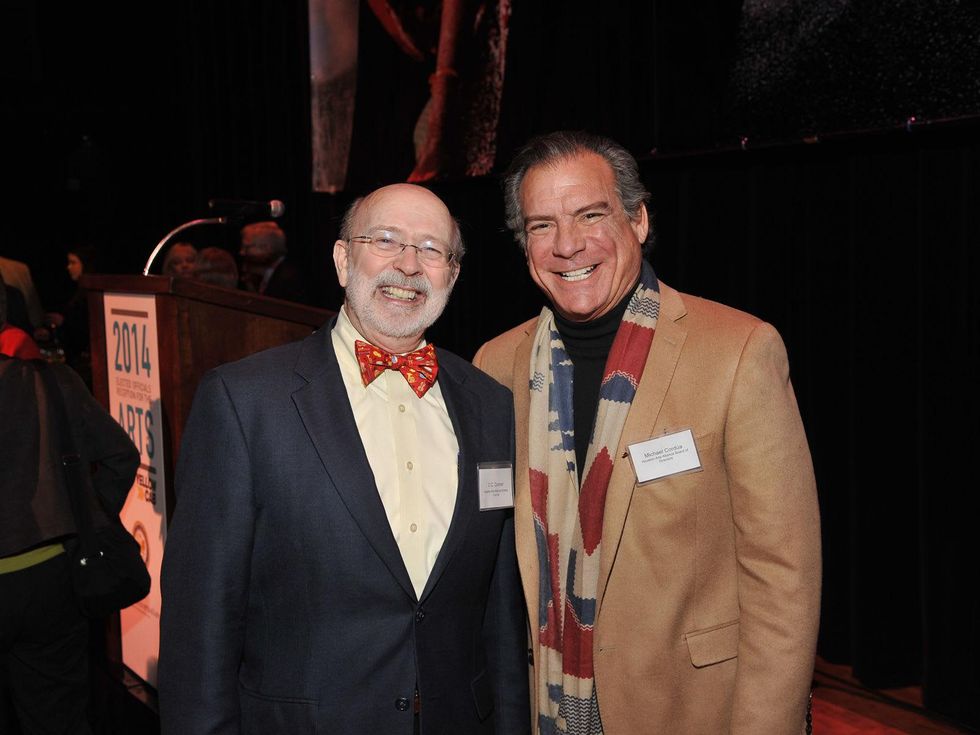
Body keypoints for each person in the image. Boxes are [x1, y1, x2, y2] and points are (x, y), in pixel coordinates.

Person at [473, 130, 821, 735]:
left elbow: (783, 578)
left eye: (590, 215)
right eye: (541, 225)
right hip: (544, 711)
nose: (568, 245)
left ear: (637, 219)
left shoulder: (737, 351)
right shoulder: (496, 366)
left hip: (692, 709)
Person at [158, 183, 530, 734]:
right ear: (341, 259)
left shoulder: (490, 403)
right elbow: (201, 621)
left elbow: (499, 608)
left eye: (431, 249)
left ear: (452, 275)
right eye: (386, 240)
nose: (408, 266)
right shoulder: (245, 402)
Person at [0, 279, 140, 735]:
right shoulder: (50, 380)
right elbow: (119, 456)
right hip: (49, 577)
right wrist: (86, 516)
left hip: (48, 578)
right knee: (56, 719)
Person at [238, 220, 309, 303]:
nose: (242, 252)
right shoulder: (268, 272)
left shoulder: (287, 279)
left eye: (247, 247)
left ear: (266, 248)